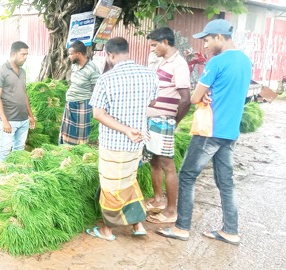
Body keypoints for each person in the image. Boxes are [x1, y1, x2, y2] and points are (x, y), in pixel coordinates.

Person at [157, 19, 252, 246]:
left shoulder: (216, 62)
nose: (206, 45)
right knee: (226, 182)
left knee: (187, 176)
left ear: (219, 37)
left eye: (208, 40)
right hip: (229, 132)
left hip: (209, 130)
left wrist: (205, 94)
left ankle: (181, 228)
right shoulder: (246, 61)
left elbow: (194, 98)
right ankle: (231, 230)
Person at [87, 37, 158, 240]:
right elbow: (150, 101)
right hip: (138, 142)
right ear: (128, 51)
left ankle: (107, 230)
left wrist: (125, 129)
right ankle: (138, 224)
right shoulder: (149, 74)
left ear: (110, 55)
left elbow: (98, 114)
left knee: (111, 187)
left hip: (114, 143)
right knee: (128, 181)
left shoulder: (107, 79)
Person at [143, 27, 191, 224]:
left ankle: (171, 211)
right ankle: (158, 200)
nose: (153, 49)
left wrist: (173, 122)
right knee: (154, 161)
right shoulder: (163, 61)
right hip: (154, 120)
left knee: (167, 165)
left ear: (165, 42)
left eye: (154, 45)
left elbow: (186, 99)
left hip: (164, 121)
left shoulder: (179, 64)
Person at [0, 41, 36, 162]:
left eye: (27, 54)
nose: (25, 57)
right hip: (10, 120)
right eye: (23, 54)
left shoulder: (22, 72)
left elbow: (24, 94)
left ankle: (14, 174)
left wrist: (30, 116)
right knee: (5, 150)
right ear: (13, 53)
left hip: (23, 120)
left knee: (19, 149)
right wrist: (4, 121)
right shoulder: (1, 71)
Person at [59, 40, 100, 145]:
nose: (69, 56)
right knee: (66, 131)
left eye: (71, 54)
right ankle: (66, 150)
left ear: (79, 54)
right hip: (70, 103)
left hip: (82, 104)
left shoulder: (92, 69)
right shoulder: (74, 66)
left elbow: (96, 90)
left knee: (80, 134)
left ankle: (78, 152)